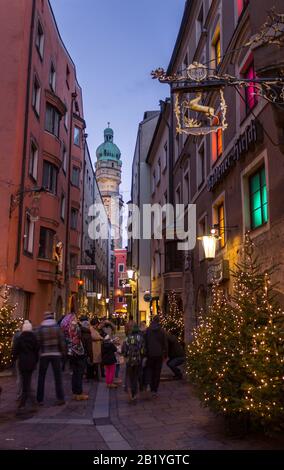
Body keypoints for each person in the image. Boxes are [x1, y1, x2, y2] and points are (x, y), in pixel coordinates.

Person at [36, 312, 66, 406]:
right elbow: (61, 341)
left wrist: (38, 353)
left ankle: (39, 399)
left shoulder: (40, 328)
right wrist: (63, 353)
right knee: (58, 377)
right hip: (56, 354)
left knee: (41, 377)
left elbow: (38, 342)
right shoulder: (57, 328)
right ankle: (60, 398)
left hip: (44, 354)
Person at [61, 312, 88, 400]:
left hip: (70, 352)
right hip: (78, 351)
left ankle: (75, 392)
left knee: (74, 373)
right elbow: (79, 336)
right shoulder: (75, 327)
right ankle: (79, 393)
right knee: (79, 373)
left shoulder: (65, 328)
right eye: (75, 318)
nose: (76, 319)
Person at [12, 320, 39, 411]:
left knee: (25, 381)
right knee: (28, 381)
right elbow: (36, 351)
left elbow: (15, 351)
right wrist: (35, 361)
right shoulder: (34, 338)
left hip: (22, 362)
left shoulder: (20, 338)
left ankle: (25, 402)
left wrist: (14, 359)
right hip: (31, 362)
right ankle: (30, 401)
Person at [144, 316, 168, 398]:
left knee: (149, 370)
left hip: (150, 354)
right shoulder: (162, 330)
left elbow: (145, 342)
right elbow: (165, 343)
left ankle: (149, 385)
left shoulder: (148, 330)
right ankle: (154, 390)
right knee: (157, 372)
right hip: (159, 354)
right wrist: (165, 354)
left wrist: (145, 352)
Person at [122, 324, 145, 404]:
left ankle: (130, 394)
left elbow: (124, 350)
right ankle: (134, 393)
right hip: (138, 360)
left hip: (129, 361)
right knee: (135, 377)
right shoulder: (140, 338)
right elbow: (143, 349)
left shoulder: (127, 338)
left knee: (129, 377)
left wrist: (126, 355)